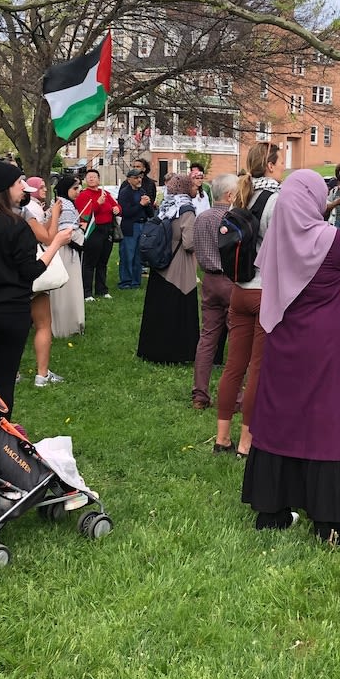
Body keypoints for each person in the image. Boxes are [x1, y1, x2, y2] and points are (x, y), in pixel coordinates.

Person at [241, 170, 340, 545]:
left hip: (283, 335)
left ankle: (271, 510)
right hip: (328, 341)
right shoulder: (329, 237)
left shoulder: (277, 238)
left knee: (281, 416)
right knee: (328, 420)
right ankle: (328, 522)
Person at [0, 161, 71, 415]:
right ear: (5, 189)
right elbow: (30, 271)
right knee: (4, 384)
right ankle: (0, 439)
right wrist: (56, 244)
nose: (23, 188)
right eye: (19, 182)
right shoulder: (16, 226)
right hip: (10, 313)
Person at [215, 142, 283, 457]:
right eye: (279, 161)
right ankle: (247, 442)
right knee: (257, 368)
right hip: (265, 289)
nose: (282, 166)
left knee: (233, 366)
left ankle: (222, 438)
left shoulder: (240, 197)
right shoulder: (276, 200)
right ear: (270, 165)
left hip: (238, 290)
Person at [136, 173, 199, 363]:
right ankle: (178, 353)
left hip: (160, 261)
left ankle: (152, 350)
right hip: (178, 264)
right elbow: (189, 243)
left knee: (158, 309)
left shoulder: (167, 205)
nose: (196, 188)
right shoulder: (186, 209)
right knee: (178, 308)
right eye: (193, 185)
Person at [191, 173, 237, 408]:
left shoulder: (201, 217)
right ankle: (236, 397)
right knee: (237, 340)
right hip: (230, 281)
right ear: (230, 195)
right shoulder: (232, 219)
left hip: (209, 279)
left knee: (207, 337)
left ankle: (200, 393)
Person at [22, 176, 66, 387]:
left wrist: (50, 216)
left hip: (13, 274)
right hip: (30, 270)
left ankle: (13, 371)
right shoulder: (26, 209)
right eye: (38, 187)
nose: (43, 189)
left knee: (19, 325)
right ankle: (42, 374)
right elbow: (48, 238)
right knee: (42, 324)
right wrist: (56, 215)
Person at [49, 176, 87, 337]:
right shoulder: (64, 205)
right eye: (75, 188)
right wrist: (81, 234)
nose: (78, 191)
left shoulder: (63, 203)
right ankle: (67, 325)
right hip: (64, 251)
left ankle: (69, 323)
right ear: (66, 189)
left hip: (65, 251)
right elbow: (66, 233)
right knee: (66, 287)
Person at [76, 168, 119, 299]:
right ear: (85, 180)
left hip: (107, 229)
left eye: (94, 176)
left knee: (103, 261)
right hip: (93, 230)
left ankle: (101, 289)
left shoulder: (105, 193)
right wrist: (98, 203)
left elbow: (116, 205)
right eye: (89, 176)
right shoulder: (83, 195)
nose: (91, 178)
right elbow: (84, 213)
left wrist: (117, 208)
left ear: (99, 179)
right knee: (90, 262)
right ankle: (87, 292)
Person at [115, 169, 152, 290]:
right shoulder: (125, 193)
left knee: (138, 256)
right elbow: (125, 212)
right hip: (130, 227)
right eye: (136, 178)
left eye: (140, 177)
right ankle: (126, 281)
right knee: (127, 254)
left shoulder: (142, 191)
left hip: (142, 225)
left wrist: (148, 204)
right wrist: (140, 205)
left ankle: (136, 281)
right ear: (129, 179)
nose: (139, 180)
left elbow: (150, 213)